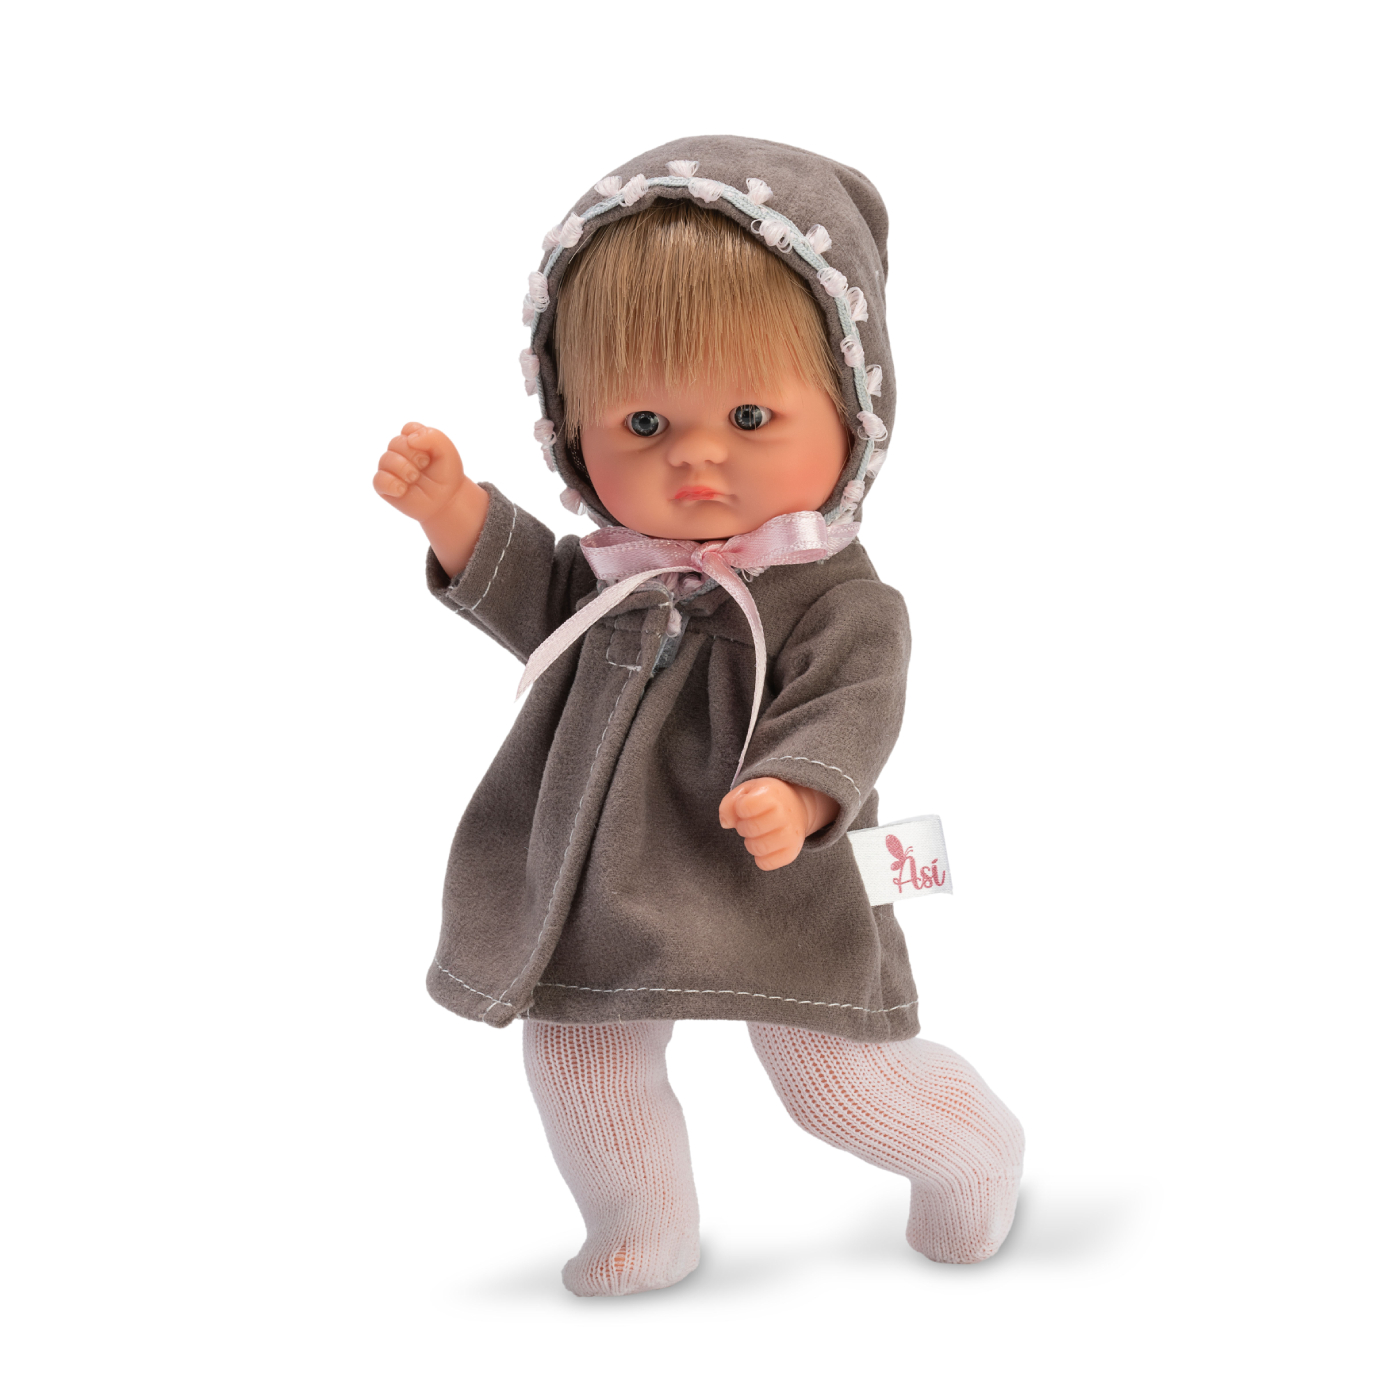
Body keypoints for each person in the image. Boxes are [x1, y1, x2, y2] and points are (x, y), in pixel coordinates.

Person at [373, 136, 1023, 1296]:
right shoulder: (616, 577)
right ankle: (643, 1220)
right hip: (607, 870)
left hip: (784, 868)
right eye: (642, 425)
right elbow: (542, 601)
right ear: (571, 425)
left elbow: (852, 702)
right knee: (578, 1052)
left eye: (749, 413)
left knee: (835, 1081)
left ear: (853, 411)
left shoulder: (839, 598)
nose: (697, 460)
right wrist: (456, 510)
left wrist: (799, 788)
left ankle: (970, 1152)